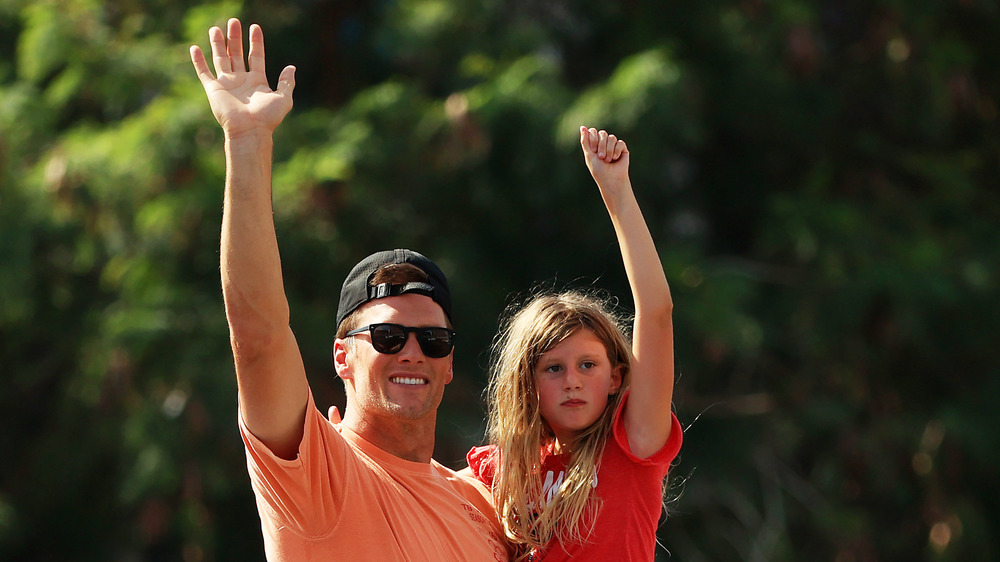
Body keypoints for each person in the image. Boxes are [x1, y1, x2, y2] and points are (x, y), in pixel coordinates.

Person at [189, 18, 507, 561]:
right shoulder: (315, 474)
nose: (413, 351)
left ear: (451, 362)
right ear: (342, 356)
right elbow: (259, 334)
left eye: (433, 340)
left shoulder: (482, 505)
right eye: (387, 336)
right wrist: (247, 142)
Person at [464, 127, 683, 560]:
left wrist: (617, 193)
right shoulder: (503, 470)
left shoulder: (633, 445)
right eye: (553, 368)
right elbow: (412, 486)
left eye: (588, 365)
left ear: (617, 377)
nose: (572, 381)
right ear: (527, 383)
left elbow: (656, 315)